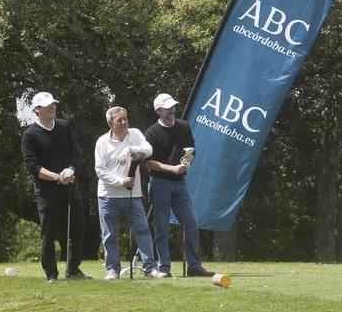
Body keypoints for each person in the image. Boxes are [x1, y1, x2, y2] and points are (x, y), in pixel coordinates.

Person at [21, 92, 90, 282]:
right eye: (47, 105)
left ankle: (73, 269)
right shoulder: (30, 135)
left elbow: (75, 154)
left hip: (69, 185)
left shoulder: (64, 127)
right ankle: (51, 273)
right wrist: (56, 177)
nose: (52, 107)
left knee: (78, 226)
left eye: (53, 104)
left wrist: (70, 169)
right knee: (48, 232)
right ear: (37, 110)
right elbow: (33, 166)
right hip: (46, 190)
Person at [144, 93, 214, 278]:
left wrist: (186, 163)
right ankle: (164, 267)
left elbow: (191, 151)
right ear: (158, 111)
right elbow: (149, 162)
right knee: (161, 226)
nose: (172, 110)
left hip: (179, 184)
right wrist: (172, 168)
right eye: (167, 108)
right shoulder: (151, 133)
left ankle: (194, 266)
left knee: (191, 222)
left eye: (173, 107)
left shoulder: (183, 126)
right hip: (159, 183)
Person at [95, 106, 166, 280]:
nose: (124, 122)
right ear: (111, 123)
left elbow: (148, 149)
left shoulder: (134, 134)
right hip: (108, 195)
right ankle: (112, 269)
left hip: (132, 195)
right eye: (119, 120)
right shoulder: (102, 142)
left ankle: (150, 267)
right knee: (110, 234)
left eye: (125, 118)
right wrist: (121, 182)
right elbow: (100, 170)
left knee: (142, 230)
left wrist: (131, 150)